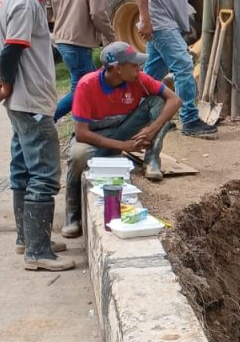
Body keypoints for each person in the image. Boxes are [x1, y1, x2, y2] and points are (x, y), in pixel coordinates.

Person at [0, 0, 74, 272]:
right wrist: (4, 84)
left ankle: (30, 238)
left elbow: (3, 51)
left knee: (22, 168)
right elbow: (10, 51)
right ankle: (37, 251)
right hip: (31, 100)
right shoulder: (24, 3)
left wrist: (1, 84)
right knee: (45, 174)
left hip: (23, 100)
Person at [62, 42, 182, 237]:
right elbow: (82, 133)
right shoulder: (87, 85)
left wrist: (151, 130)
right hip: (93, 137)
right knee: (78, 156)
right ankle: (72, 214)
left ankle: (151, 159)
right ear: (118, 68)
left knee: (159, 102)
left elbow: (175, 100)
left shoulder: (139, 80)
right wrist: (123, 146)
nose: (139, 69)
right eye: (134, 65)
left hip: (122, 129)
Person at [135, 0, 218, 138]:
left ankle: (138, 114)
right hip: (160, 23)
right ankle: (189, 119)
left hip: (169, 21)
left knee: (152, 72)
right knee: (183, 66)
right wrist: (145, 20)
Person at [50, 0, 116, 121]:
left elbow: (49, 7)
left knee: (81, 85)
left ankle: (86, 121)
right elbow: (98, 14)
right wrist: (112, 38)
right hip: (78, 41)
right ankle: (48, 118)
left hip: (62, 40)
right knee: (85, 88)